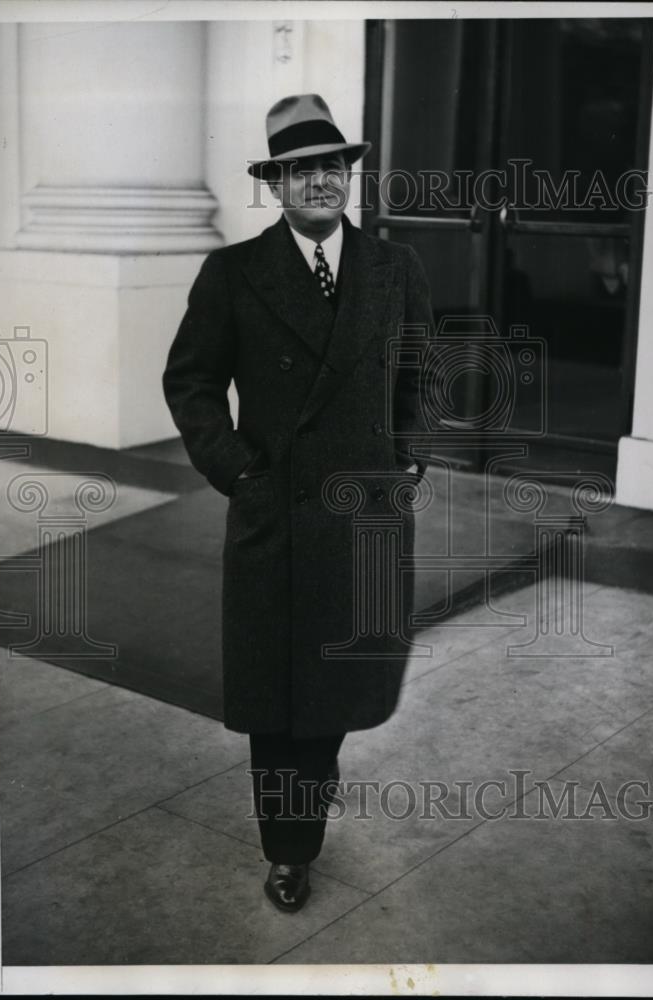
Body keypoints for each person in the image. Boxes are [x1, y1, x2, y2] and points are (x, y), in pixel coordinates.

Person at [162, 93, 434, 912]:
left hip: (364, 514)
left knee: (338, 690)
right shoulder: (234, 273)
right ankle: (289, 847)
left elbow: (418, 370)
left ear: (348, 176)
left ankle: (307, 800)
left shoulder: (396, 269)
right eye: (299, 170)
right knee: (275, 703)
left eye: (331, 167)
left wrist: (405, 456)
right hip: (275, 513)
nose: (318, 182)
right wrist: (240, 471)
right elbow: (192, 382)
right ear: (276, 185)